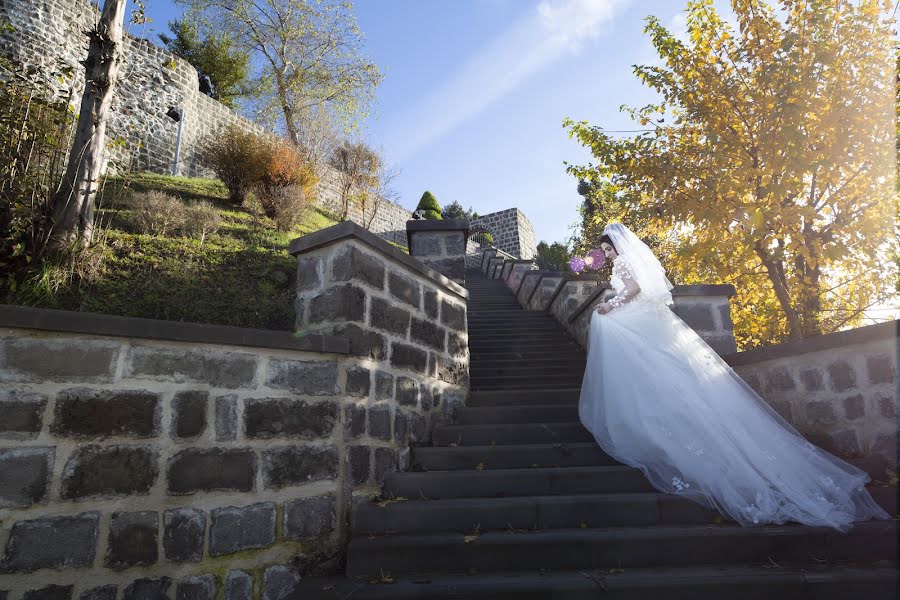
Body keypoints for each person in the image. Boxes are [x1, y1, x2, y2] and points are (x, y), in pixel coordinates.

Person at [579, 222, 889, 530]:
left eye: (609, 248)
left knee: (627, 349)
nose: (607, 254)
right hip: (651, 320)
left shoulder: (623, 262)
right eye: (605, 250)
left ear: (619, 246)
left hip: (637, 318)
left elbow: (634, 290)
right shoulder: (629, 261)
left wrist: (610, 304)